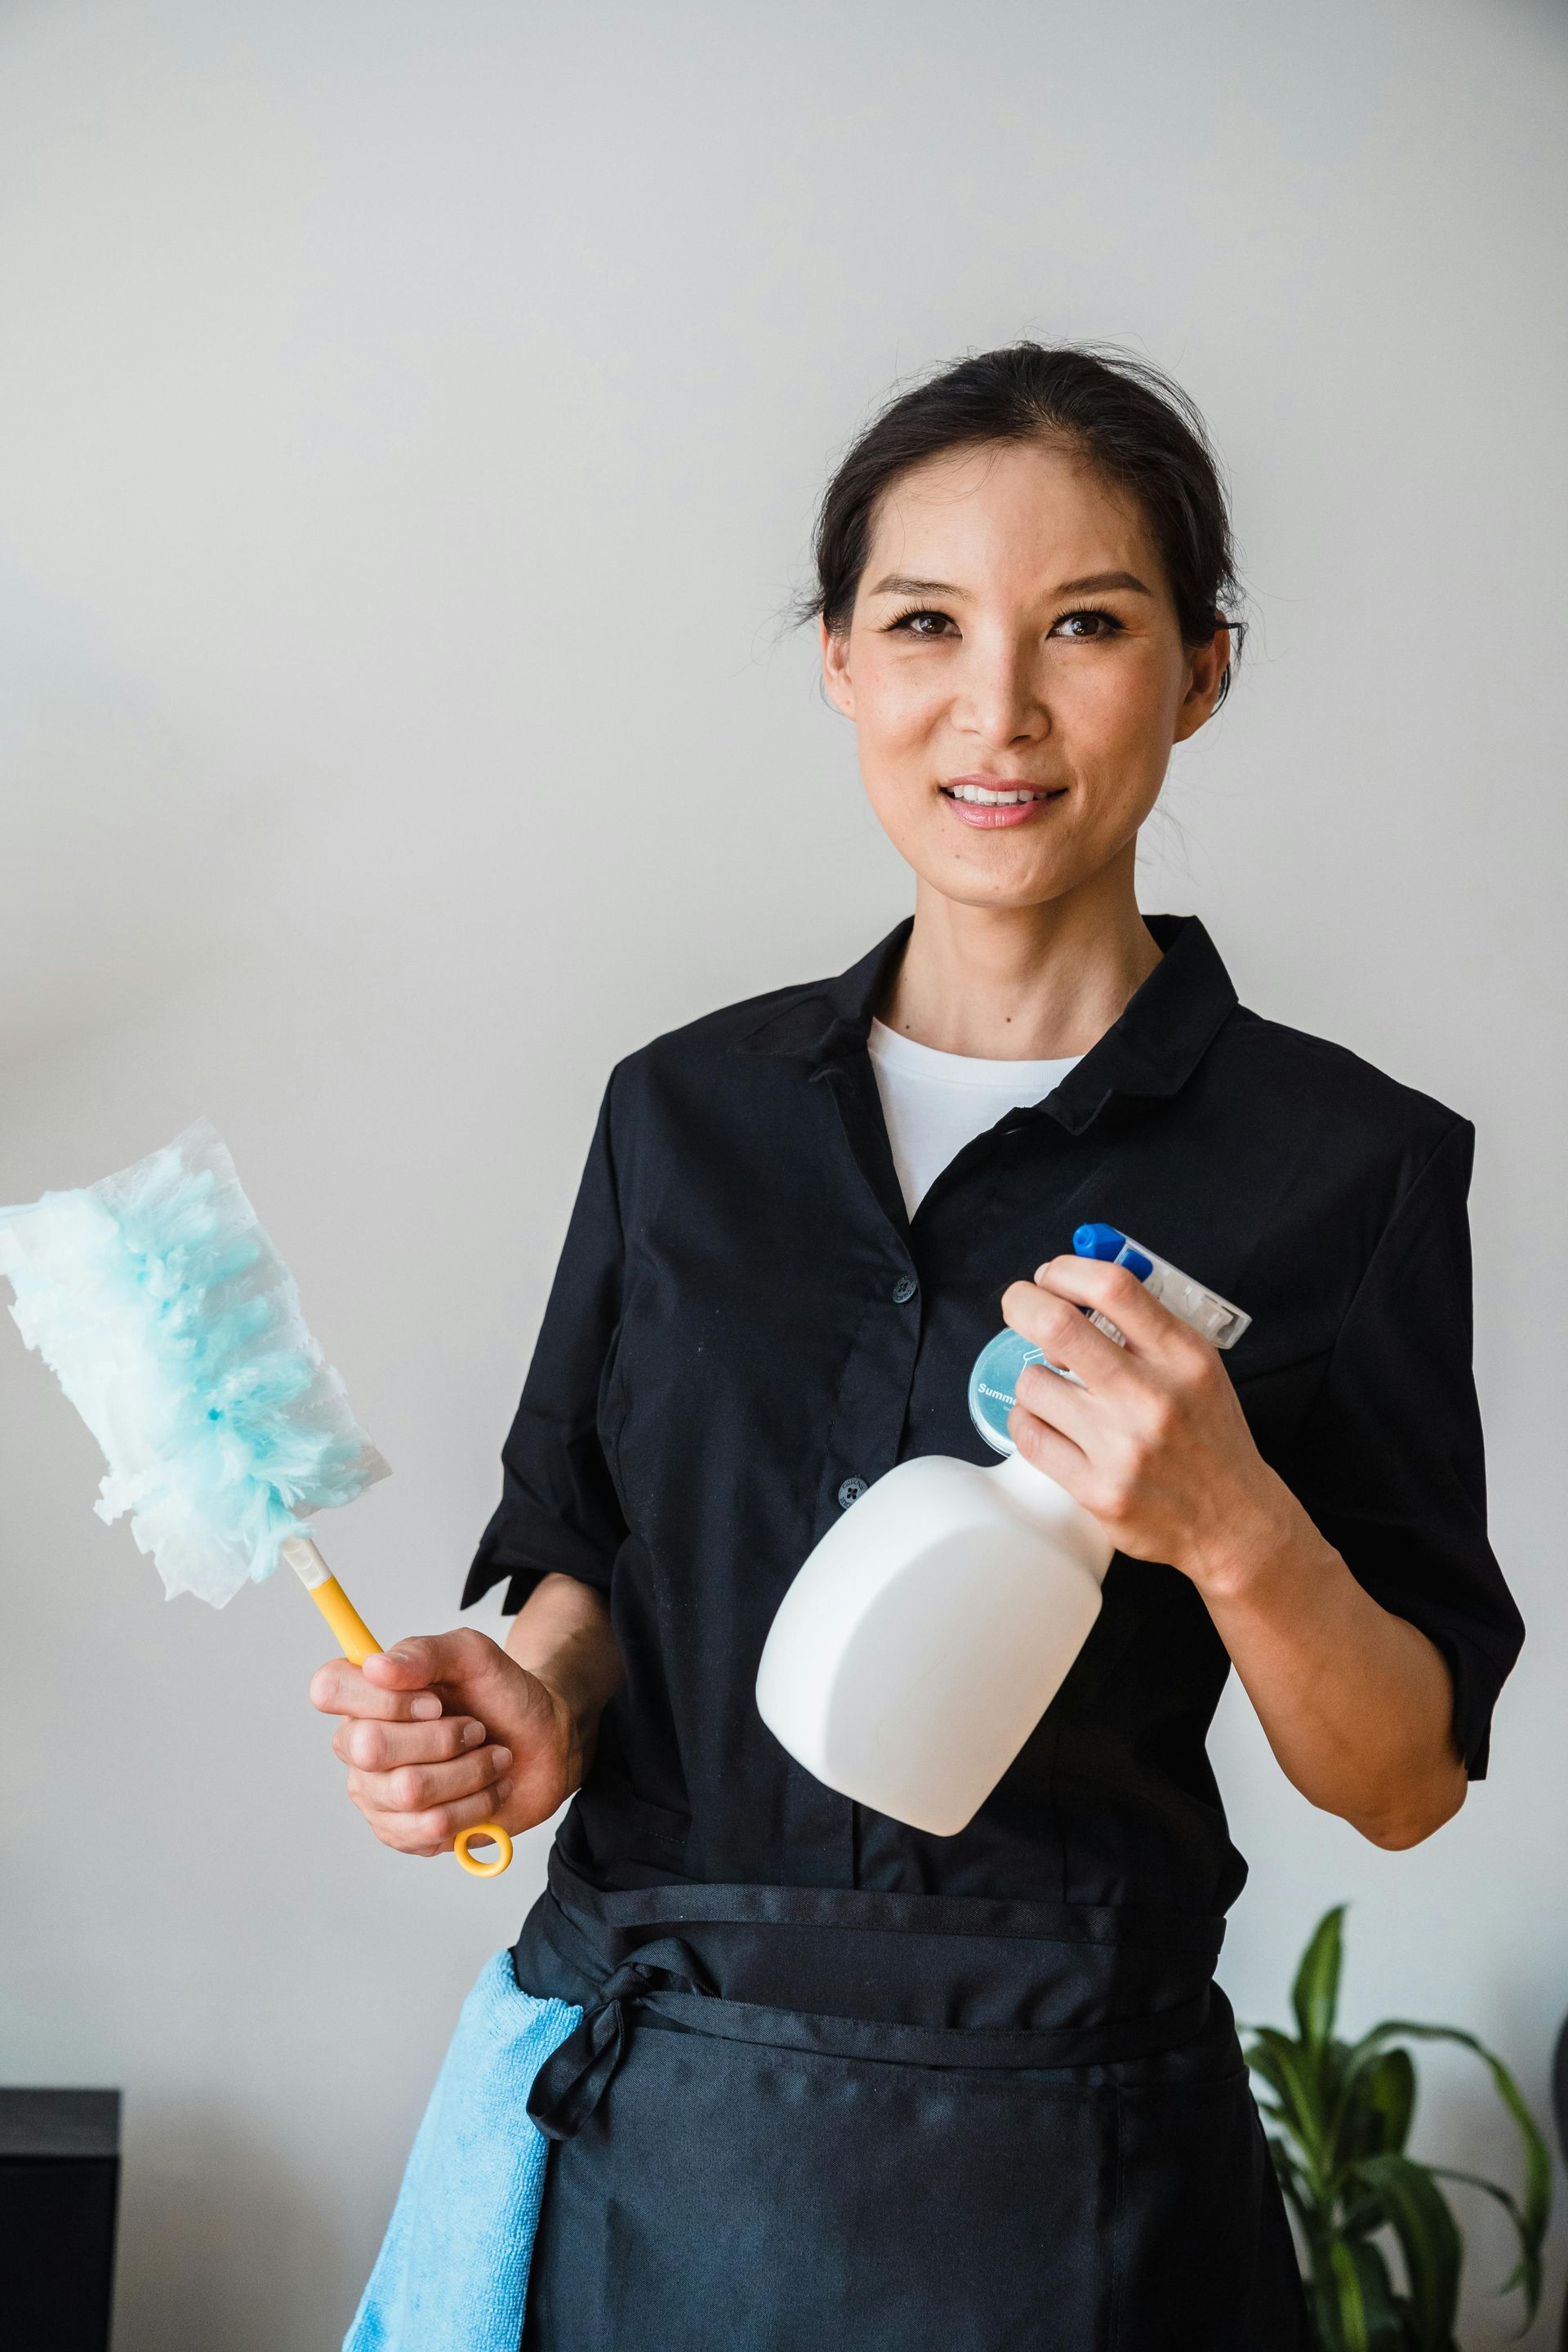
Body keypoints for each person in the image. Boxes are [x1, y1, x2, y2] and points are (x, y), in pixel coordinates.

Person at [311, 345, 1524, 2348]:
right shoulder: (680, 1113)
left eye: (1090, 627)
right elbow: (588, 1554)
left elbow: (1402, 1780)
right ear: (843, 669)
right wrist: (522, 1702)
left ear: (1203, 672)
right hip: (654, 2142)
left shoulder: (1347, 1172)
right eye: (926, 625)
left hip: (1071, 2184)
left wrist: (1234, 1528)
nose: (1001, 710)